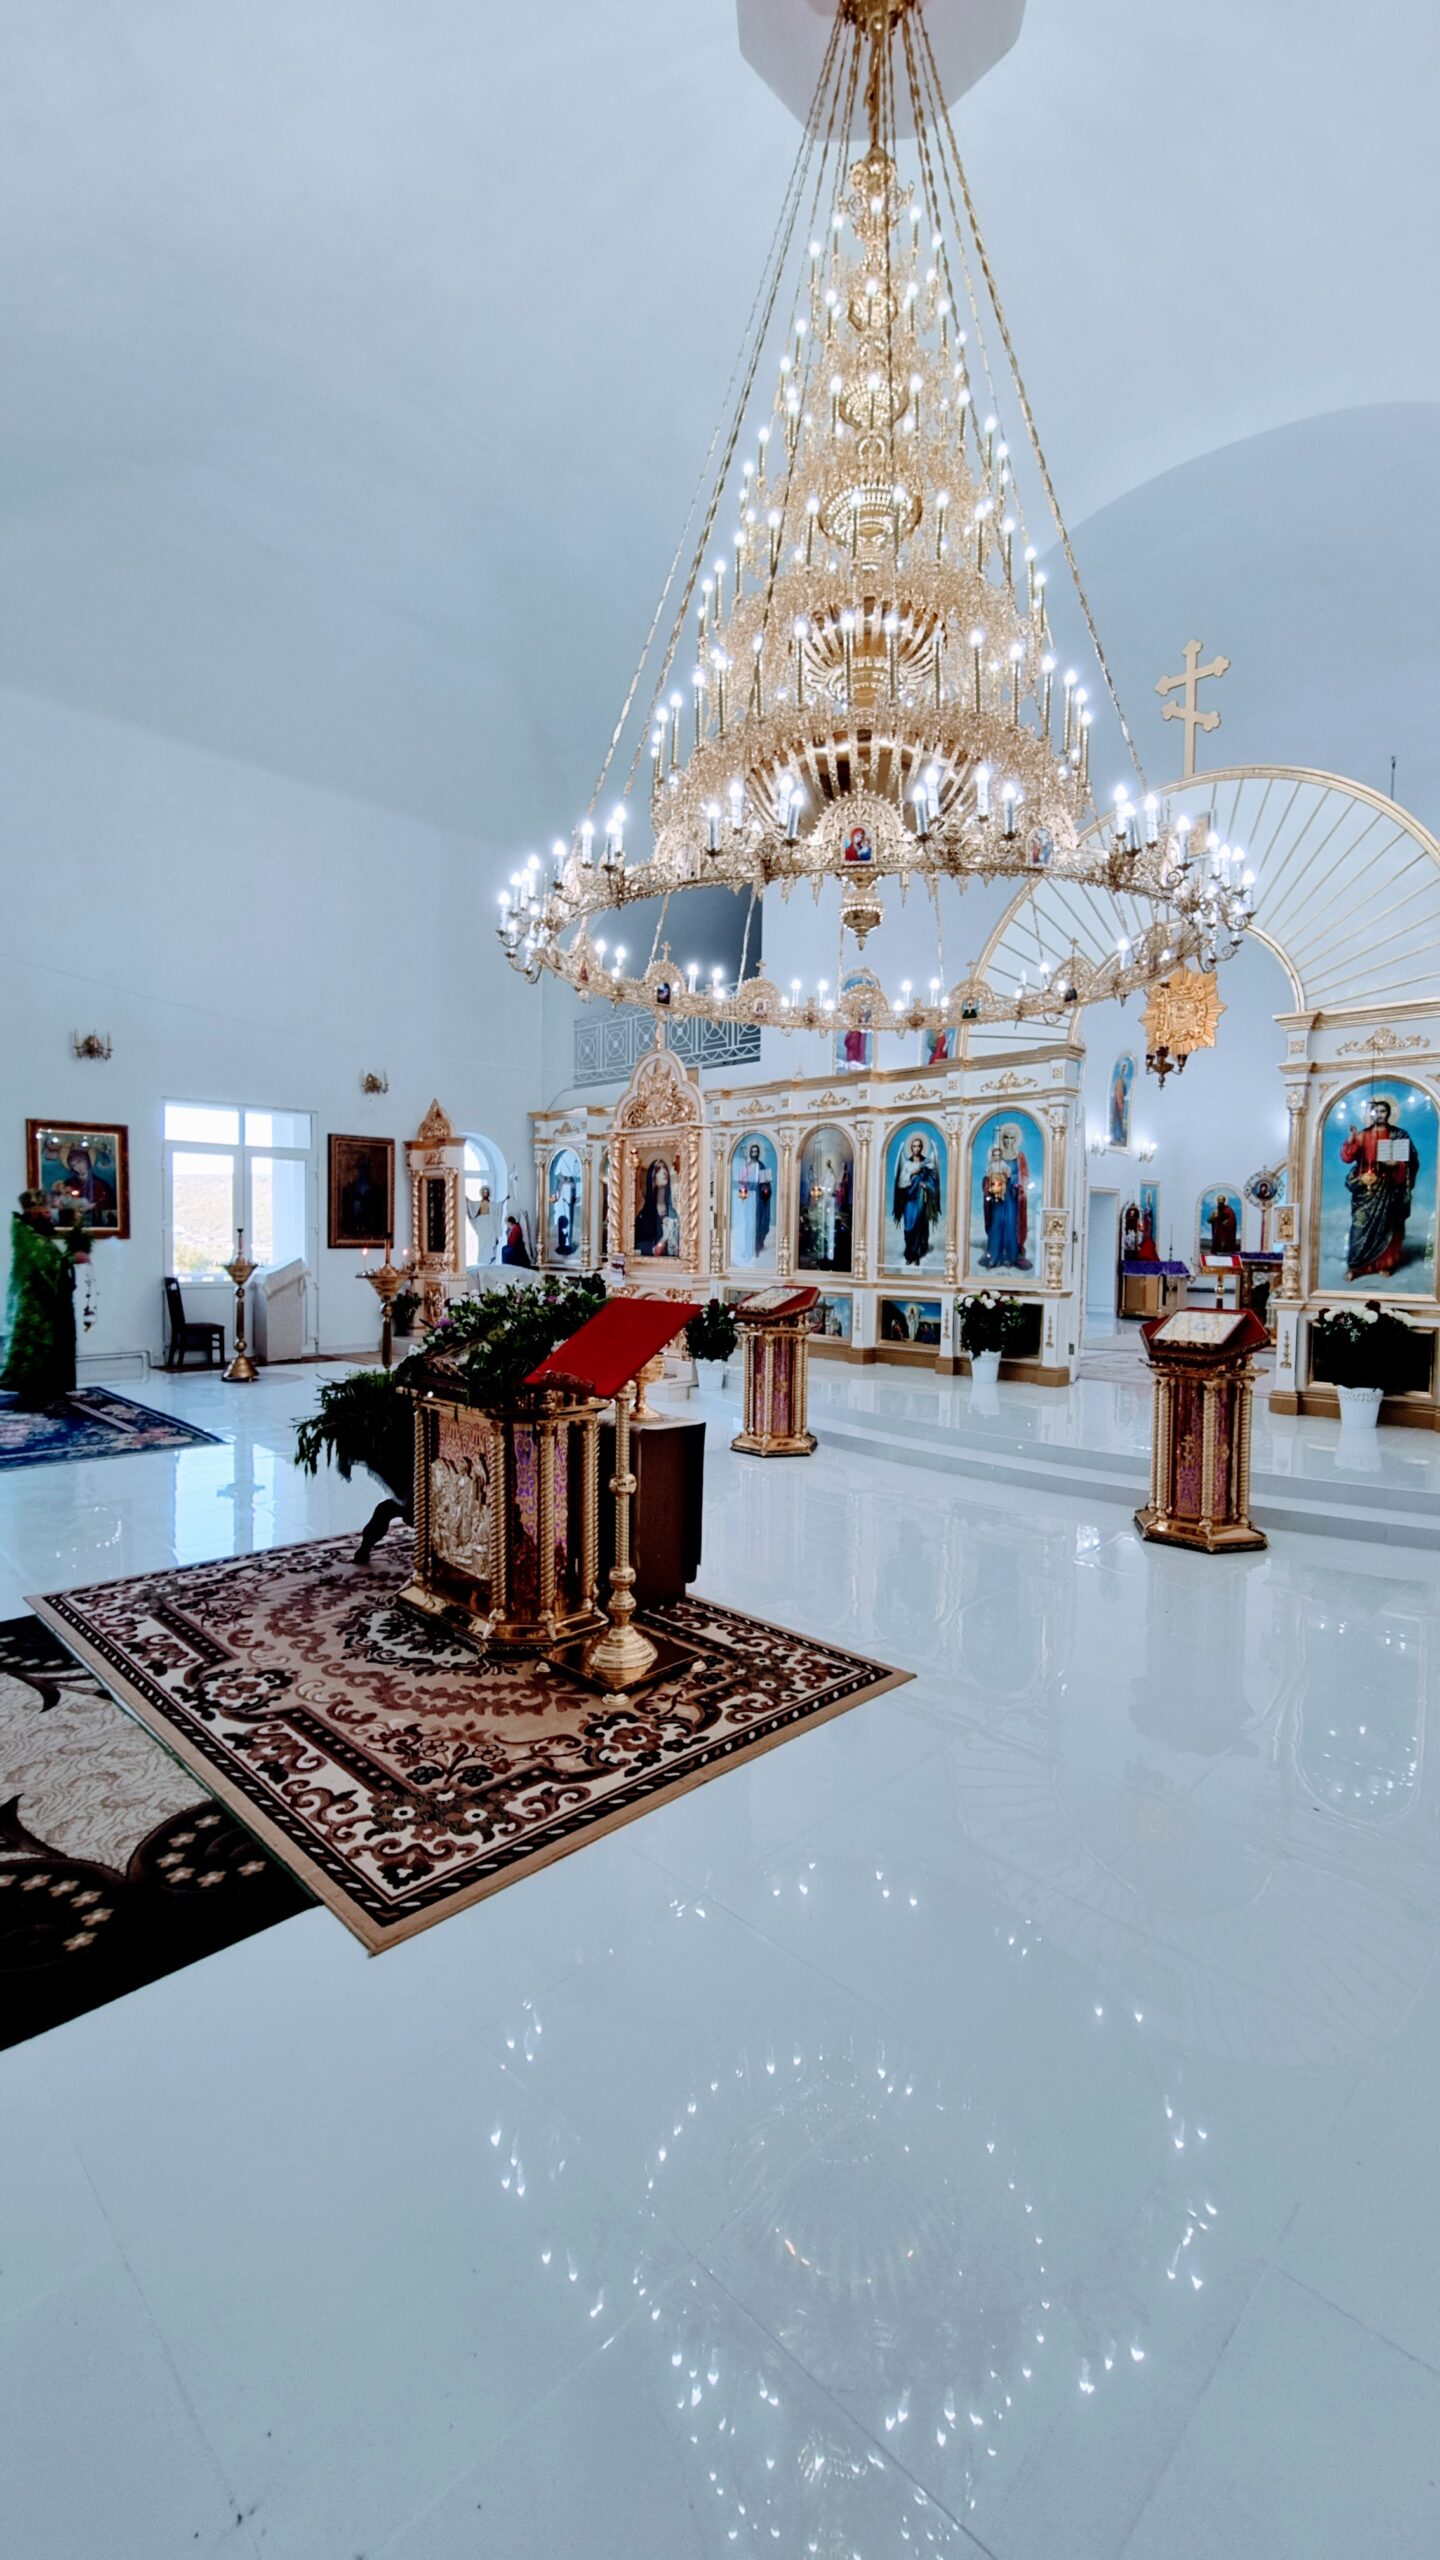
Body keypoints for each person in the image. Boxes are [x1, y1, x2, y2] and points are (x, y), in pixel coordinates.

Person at [2, 1188, 90, 1410]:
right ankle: (38, 1394)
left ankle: (57, 1390)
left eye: (49, 1211)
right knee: (43, 1346)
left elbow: (52, 1261)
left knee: (61, 1343)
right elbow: (46, 1265)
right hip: (39, 1306)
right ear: (34, 1214)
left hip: (52, 1301)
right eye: (45, 1212)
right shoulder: (30, 1238)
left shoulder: (35, 1235)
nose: (50, 1215)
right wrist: (72, 1258)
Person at [1340, 1094, 1421, 1280]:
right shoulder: (1362, 1135)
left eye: (1383, 1111)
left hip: (1389, 1187)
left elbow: (1411, 1161)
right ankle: (1356, 1266)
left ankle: (1385, 1264)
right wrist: (1351, 1139)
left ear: (1389, 1113)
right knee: (1360, 1227)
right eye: (1375, 1111)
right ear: (1371, 1114)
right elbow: (1347, 1158)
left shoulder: (1399, 1135)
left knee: (1388, 1226)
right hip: (1366, 1187)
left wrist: (1398, 1164)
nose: (1379, 1114)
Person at [980, 1124, 1032, 1271]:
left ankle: (1010, 1257)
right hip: (998, 1195)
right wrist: (991, 1181)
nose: (1008, 1141)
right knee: (996, 1223)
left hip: (1012, 1195)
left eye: (1011, 1138)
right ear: (1002, 1139)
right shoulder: (997, 1154)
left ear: (1015, 1140)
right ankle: (994, 1256)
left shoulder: (1019, 1156)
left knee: (1010, 1224)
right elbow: (989, 1173)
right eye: (1006, 1137)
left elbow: (1024, 1175)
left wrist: (1014, 1180)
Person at [893, 1132, 941, 1266]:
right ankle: (910, 1253)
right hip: (909, 1200)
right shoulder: (907, 1165)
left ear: (921, 1148)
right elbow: (900, 1183)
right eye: (914, 1146)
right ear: (911, 1148)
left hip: (920, 1200)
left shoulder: (926, 1164)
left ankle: (917, 1254)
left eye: (919, 1146)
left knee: (919, 1226)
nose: (916, 1148)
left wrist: (926, 1185)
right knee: (908, 1228)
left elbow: (933, 1182)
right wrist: (911, 1174)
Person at [734, 1142, 773, 1263]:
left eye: (756, 1152)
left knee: (758, 1223)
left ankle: (756, 1247)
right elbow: (741, 1180)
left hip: (759, 1200)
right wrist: (745, 1181)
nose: (754, 1153)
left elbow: (766, 1183)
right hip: (750, 1198)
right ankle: (748, 1248)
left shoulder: (762, 1166)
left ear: (758, 1153)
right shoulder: (747, 1166)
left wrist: (765, 1187)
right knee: (749, 1224)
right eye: (753, 1152)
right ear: (750, 1153)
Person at [634, 1159, 680, 1258]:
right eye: (659, 1169)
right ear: (652, 1178)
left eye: (665, 1168)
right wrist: (654, 1249)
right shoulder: (644, 1216)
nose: (664, 1172)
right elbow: (636, 1246)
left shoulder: (673, 1213)